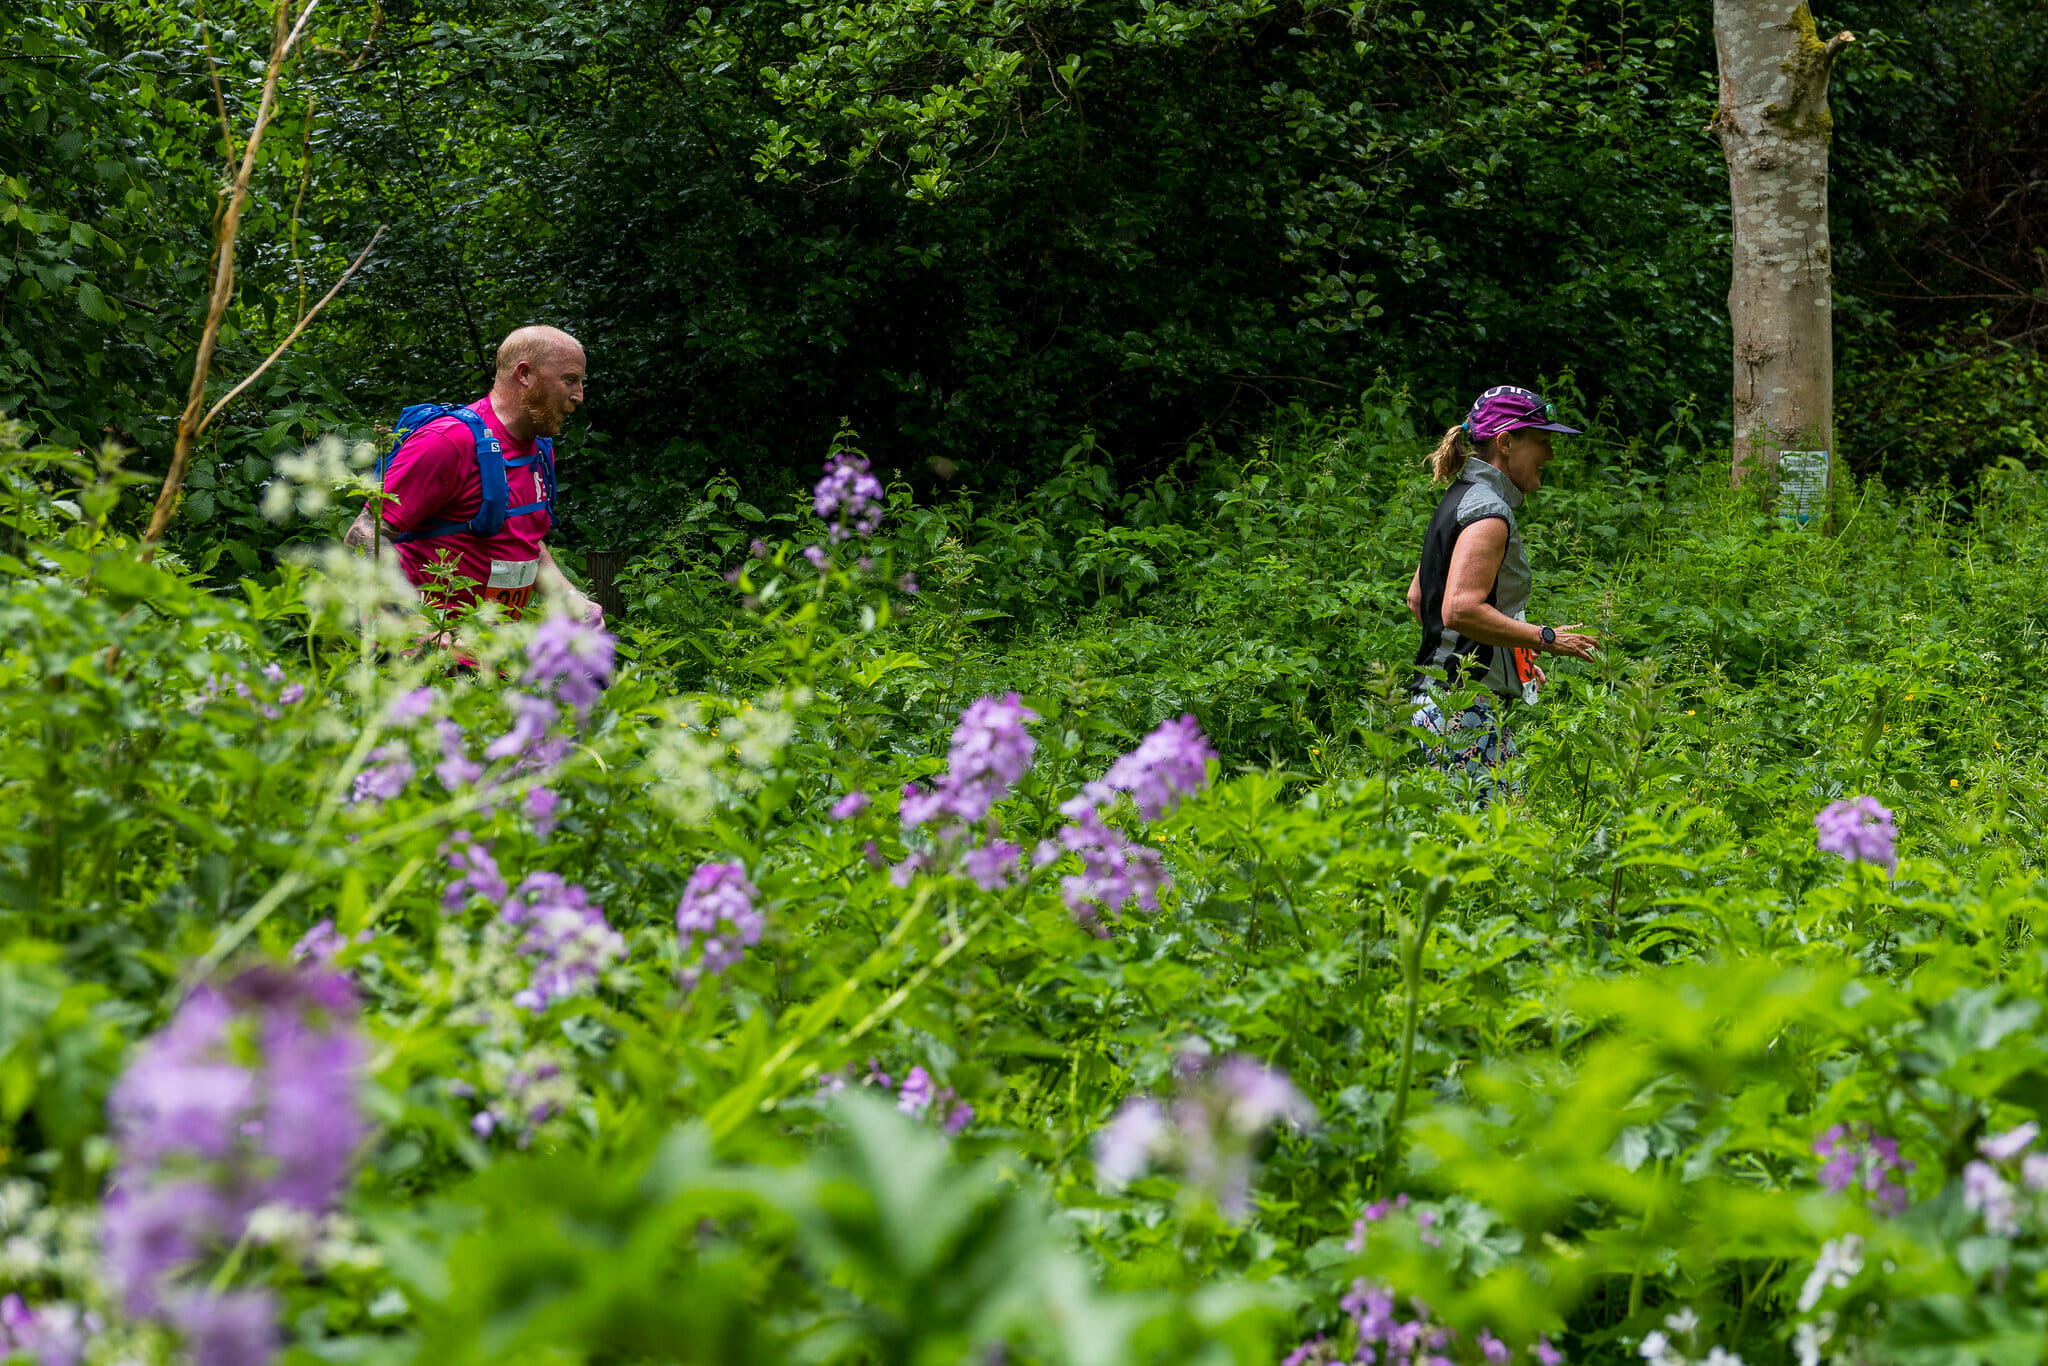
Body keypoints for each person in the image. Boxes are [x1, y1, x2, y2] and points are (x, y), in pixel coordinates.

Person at [1405, 385, 1599, 789]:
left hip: (1441, 704)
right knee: (1493, 839)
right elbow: (1458, 609)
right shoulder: (1489, 513)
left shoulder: (1461, 498)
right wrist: (1543, 638)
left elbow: (1420, 598)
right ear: (1506, 442)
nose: (1549, 455)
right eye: (1542, 442)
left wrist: (1507, 657)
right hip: (1461, 709)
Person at [346, 324, 603, 625]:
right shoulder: (448, 441)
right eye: (570, 380)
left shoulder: (539, 449)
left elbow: (523, 539)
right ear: (525, 375)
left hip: (490, 655)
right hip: (426, 658)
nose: (579, 396)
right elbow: (364, 535)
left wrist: (572, 598)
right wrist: (416, 627)